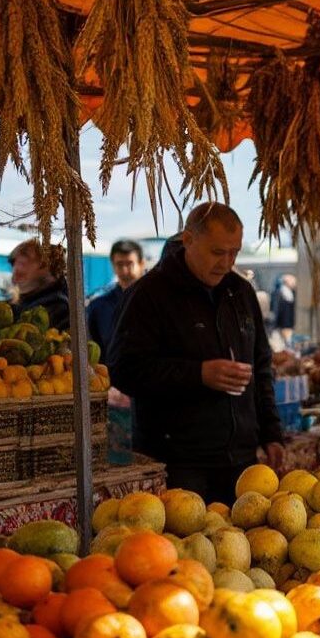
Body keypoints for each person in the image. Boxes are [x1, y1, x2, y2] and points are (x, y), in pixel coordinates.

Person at [110, 203, 284, 503]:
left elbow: (262, 365)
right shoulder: (149, 294)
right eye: (218, 252)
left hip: (241, 459)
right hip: (178, 462)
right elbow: (125, 369)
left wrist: (271, 432)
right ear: (188, 240)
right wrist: (198, 374)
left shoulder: (240, 292)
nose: (227, 262)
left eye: (235, 252)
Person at [86, 240, 146, 365]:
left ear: (142, 264)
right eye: (119, 264)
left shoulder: (156, 303)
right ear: (113, 266)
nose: (124, 270)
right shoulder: (99, 307)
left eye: (130, 264)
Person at [8, 240, 69, 330]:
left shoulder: (57, 307)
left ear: (51, 271)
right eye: (14, 261)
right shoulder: (19, 304)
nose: (18, 266)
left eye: (29, 259)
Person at [271, 274, 297, 347]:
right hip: (282, 326)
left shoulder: (292, 293)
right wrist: (277, 326)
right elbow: (276, 311)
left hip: (289, 325)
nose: (294, 283)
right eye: (292, 281)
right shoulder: (278, 293)